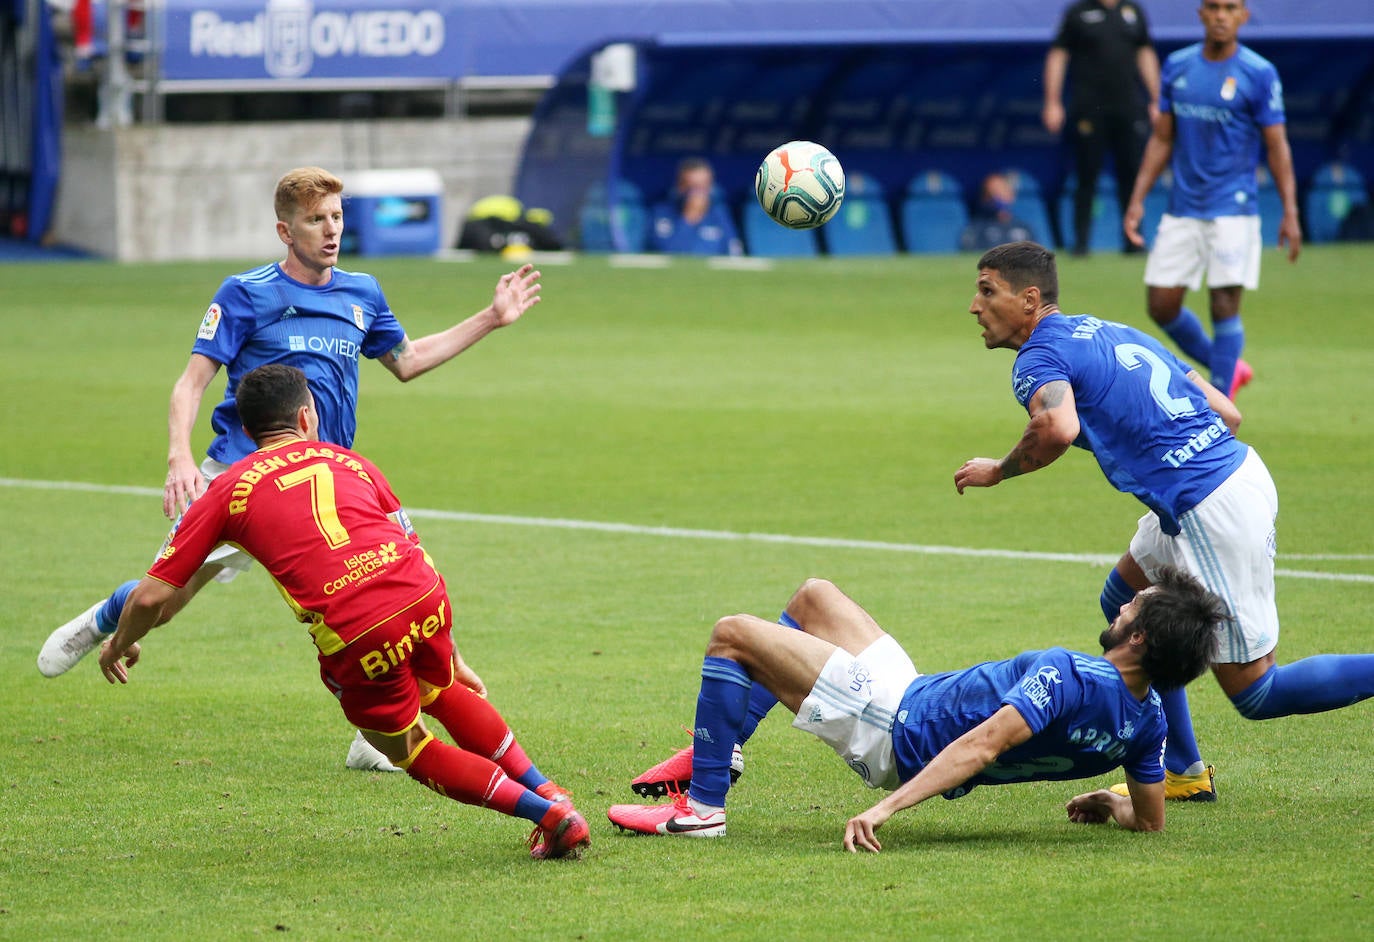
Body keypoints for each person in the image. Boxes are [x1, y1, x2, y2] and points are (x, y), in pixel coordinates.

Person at [38, 166, 541, 773]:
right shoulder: (245, 293)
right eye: (315, 220)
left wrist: (490, 318)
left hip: (328, 484)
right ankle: (104, 620)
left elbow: (406, 361)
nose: (331, 231)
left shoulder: (363, 293)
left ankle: (374, 736)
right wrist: (178, 455)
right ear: (285, 229)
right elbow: (191, 382)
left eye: (336, 217)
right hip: (244, 478)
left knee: (377, 597)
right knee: (167, 602)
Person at [96, 364, 590, 860]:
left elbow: (149, 597)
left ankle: (550, 817)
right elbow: (409, 543)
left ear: (246, 432)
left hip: (357, 631)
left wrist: (118, 643)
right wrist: (452, 650)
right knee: (437, 687)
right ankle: (548, 789)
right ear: (307, 416)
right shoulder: (351, 461)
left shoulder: (228, 489)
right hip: (424, 595)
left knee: (408, 750)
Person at [954, 241, 1374, 802]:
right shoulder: (1110, 330)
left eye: (987, 291)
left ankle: (1182, 767)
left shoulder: (1038, 358)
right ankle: (1181, 769)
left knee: (1256, 692)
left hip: (1205, 506)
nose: (974, 306)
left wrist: (998, 471)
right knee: (1122, 600)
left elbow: (1056, 429)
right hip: (1225, 477)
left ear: (1029, 299)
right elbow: (1229, 412)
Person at [607, 570, 1223, 849]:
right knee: (814, 597)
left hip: (894, 726)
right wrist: (1108, 799)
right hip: (914, 694)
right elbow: (1150, 823)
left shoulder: (1069, 674)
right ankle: (724, 748)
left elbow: (982, 746)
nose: (1121, 608)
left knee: (732, 634)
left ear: (1138, 638)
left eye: (1132, 607)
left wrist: (886, 807)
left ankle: (704, 809)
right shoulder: (1149, 724)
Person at [1123, 0, 1301, 399]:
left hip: (1234, 208)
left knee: (1224, 304)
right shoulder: (1178, 66)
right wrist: (1138, 198)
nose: (1221, 15)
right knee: (1161, 305)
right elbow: (1163, 138)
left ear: (1243, 16)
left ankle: (1219, 400)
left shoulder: (1258, 73)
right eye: (1214, 7)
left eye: (1230, 7)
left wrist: (1290, 210)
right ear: (1200, 13)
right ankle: (1229, 366)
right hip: (1183, 206)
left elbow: (1276, 145)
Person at [1043, 0, 1160, 256]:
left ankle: (1132, 239)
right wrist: (1052, 102)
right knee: (1086, 176)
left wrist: (1156, 98)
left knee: (1131, 176)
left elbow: (1145, 53)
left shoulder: (1132, 11)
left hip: (1128, 107)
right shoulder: (1078, 12)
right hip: (1089, 108)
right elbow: (1058, 55)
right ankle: (1081, 243)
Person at [647, 157, 742, 256]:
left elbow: (735, 254)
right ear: (680, 186)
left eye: (703, 187)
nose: (698, 193)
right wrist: (689, 218)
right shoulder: (660, 213)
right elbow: (672, 254)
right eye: (693, 187)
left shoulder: (719, 214)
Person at [959, 172, 1038, 252]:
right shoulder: (975, 229)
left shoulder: (1024, 228)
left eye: (1001, 191)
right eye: (991, 193)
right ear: (984, 198)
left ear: (1011, 195)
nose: (997, 197)